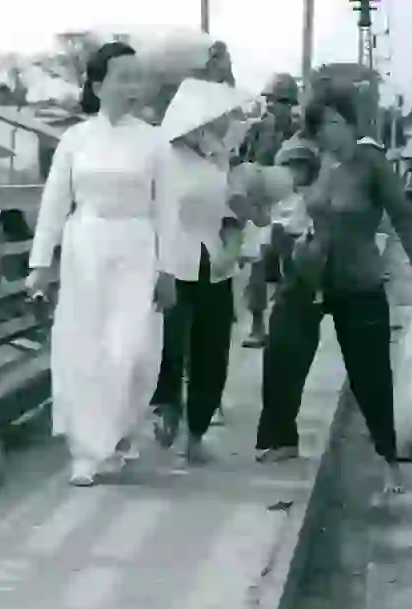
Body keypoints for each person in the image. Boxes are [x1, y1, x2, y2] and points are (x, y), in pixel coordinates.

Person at [253, 79, 412, 496]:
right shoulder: (303, 158)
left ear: (351, 123)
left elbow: (402, 214)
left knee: (370, 372)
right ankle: (278, 437)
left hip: (358, 279)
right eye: (321, 123)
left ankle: (388, 458)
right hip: (306, 274)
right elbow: (277, 205)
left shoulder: (371, 163)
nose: (328, 131)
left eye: (335, 122)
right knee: (283, 353)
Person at [24, 42, 178, 487]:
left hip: (137, 247)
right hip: (85, 246)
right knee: (84, 348)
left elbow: (166, 210)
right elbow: (54, 203)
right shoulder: (76, 139)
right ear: (97, 84)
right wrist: (40, 263)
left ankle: (121, 430)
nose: (133, 85)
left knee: (130, 350)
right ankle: (87, 451)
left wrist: (167, 270)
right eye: (122, 76)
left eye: (137, 76)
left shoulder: (154, 141)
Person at [150, 78, 249, 470]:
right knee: (170, 343)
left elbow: (228, 211)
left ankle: (196, 434)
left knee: (212, 348)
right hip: (172, 260)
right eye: (213, 117)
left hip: (213, 260)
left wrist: (234, 242)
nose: (221, 123)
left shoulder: (217, 157)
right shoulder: (162, 157)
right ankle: (167, 408)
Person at [238, 72, 302, 348]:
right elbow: (243, 161)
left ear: (291, 104)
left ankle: (290, 322)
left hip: (291, 202)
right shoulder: (255, 130)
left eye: (279, 101)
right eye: (270, 99)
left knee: (293, 265)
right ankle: (257, 324)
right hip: (261, 200)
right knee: (256, 263)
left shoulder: (300, 133)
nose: (272, 105)